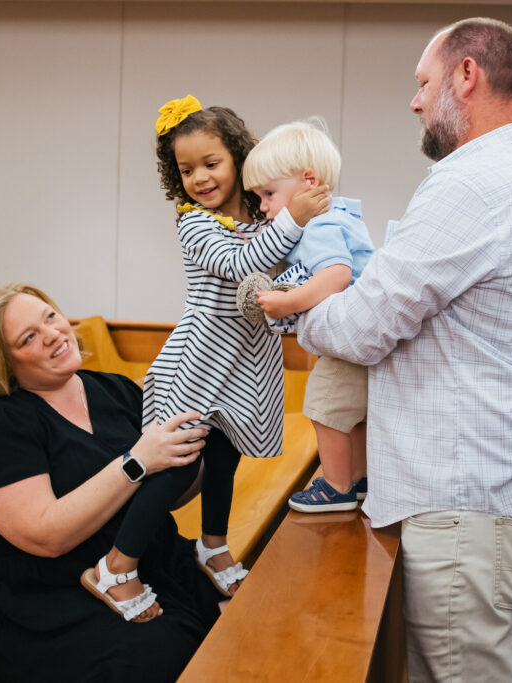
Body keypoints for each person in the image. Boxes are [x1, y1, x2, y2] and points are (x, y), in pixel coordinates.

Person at [295, 18, 512, 682]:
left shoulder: (473, 183)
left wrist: (299, 312)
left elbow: (366, 326)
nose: (415, 101)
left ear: (466, 75)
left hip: (472, 508)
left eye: (424, 83)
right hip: (497, 498)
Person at [0, 283, 225, 682]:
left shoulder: (114, 390)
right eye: (29, 338)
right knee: (163, 656)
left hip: (149, 566)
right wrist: (136, 461)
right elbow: (44, 535)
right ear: (2, 364)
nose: (53, 333)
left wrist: (208, 446)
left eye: (50, 317)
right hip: (52, 605)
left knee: (249, 610)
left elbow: (172, 497)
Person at [144, 95, 328, 596]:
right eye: (186, 170)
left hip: (246, 358)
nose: (199, 178)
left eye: (211, 163)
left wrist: (297, 278)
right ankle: (119, 561)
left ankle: (212, 543)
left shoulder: (259, 210)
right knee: (179, 456)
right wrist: (296, 219)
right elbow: (242, 265)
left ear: (238, 159)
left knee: (226, 455)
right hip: (204, 357)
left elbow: (282, 264)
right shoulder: (194, 223)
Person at [241, 119, 376, 513]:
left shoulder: (320, 224)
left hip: (345, 345)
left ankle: (336, 486)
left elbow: (336, 275)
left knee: (324, 406)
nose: (264, 207)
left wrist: (289, 302)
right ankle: (360, 478)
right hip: (364, 342)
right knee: (355, 414)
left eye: (268, 193)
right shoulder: (343, 217)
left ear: (309, 182)